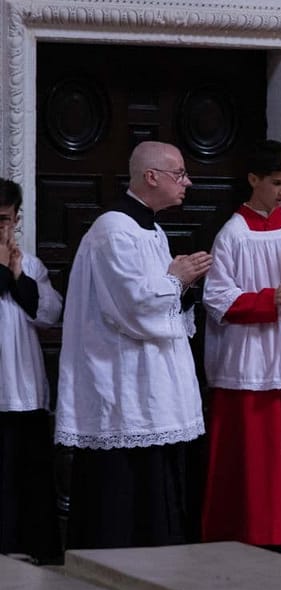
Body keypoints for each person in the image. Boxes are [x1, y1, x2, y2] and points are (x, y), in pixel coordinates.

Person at [55, 141, 211, 549]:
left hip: (150, 382)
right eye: (180, 173)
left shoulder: (151, 230)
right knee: (122, 495)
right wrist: (177, 279)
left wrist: (184, 288)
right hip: (122, 382)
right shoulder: (113, 230)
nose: (188, 182)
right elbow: (131, 308)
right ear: (151, 176)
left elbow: (159, 302)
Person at [201, 140, 281, 553]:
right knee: (254, 454)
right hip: (248, 358)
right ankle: (251, 534)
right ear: (253, 179)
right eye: (276, 183)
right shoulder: (232, 234)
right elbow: (217, 299)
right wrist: (269, 298)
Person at [0, 178, 62, 562]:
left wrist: (18, 277)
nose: (0, 228)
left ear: (17, 219)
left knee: (27, 475)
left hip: (23, 387)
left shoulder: (32, 265)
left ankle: (31, 549)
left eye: (4, 219)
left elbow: (50, 314)